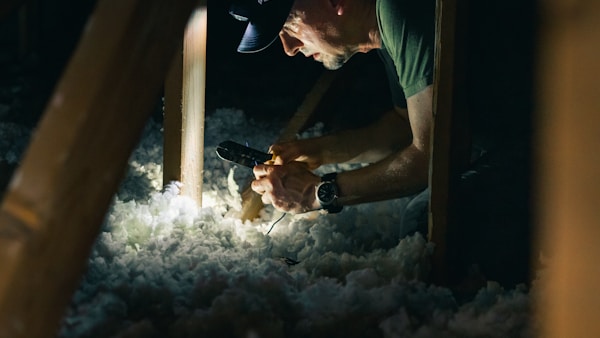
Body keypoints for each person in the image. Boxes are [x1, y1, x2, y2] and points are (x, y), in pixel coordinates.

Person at [229, 0, 435, 230]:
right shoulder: (385, 29)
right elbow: (406, 127)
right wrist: (322, 151)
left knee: (419, 223)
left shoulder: (400, 10)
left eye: (289, 25)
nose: (289, 47)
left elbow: (435, 157)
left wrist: (316, 193)